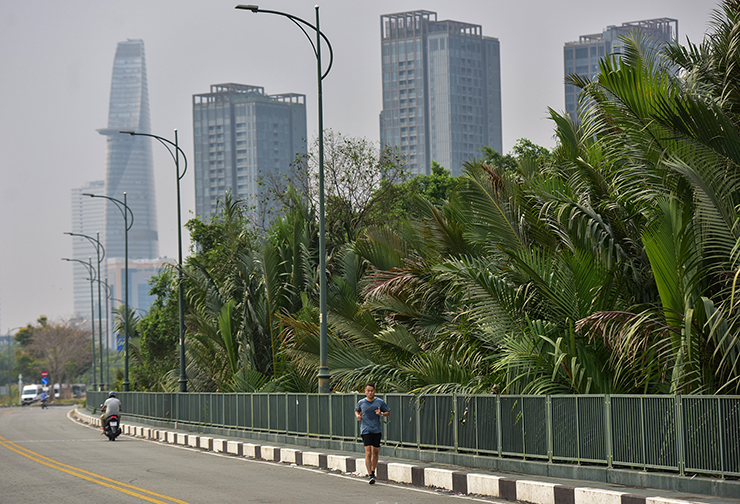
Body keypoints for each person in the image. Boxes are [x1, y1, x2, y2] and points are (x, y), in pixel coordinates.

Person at [355, 383, 390, 484]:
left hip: (376, 429)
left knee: (375, 452)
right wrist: (358, 416)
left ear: (374, 391)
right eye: (368, 391)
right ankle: (370, 475)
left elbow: (388, 412)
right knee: (368, 452)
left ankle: (373, 471)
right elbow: (357, 411)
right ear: (365, 391)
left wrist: (381, 414)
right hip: (365, 429)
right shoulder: (361, 402)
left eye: (372, 391)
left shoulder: (379, 402)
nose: (370, 392)